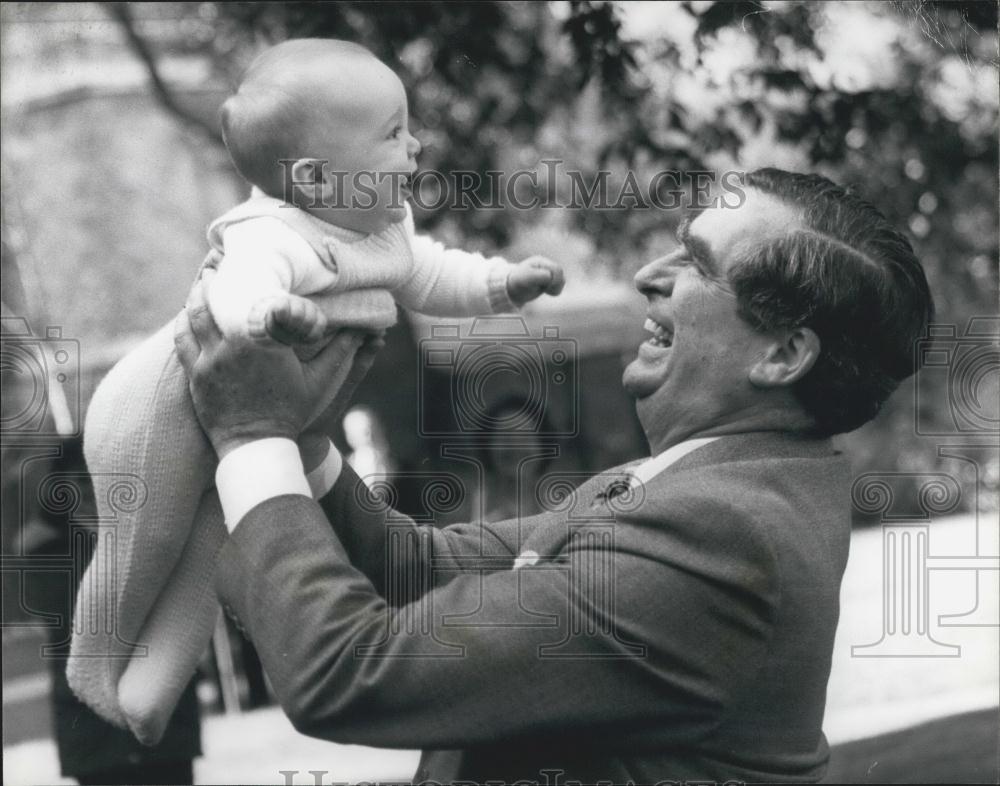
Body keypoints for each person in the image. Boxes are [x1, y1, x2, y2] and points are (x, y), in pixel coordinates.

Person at [174, 169, 934, 783]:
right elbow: (423, 570)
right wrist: (304, 438)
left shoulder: (722, 535)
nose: (648, 275)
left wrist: (252, 436)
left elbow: (349, 669)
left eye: (698, 265)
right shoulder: (699, 486)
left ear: (780, 356)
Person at [68, 38, 564, 745]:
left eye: (408, 125)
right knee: (145, 545)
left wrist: (498, 284)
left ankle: (148, 697)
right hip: (159, 412)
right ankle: (92, 669)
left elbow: (429, 273)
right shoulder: (273, 233)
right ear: (316, 179)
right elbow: (235, 292)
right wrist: (270, 316)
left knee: (210, 545)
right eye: (392, 134)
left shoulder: (384, 228)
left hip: (246, 424)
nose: (416, 144)